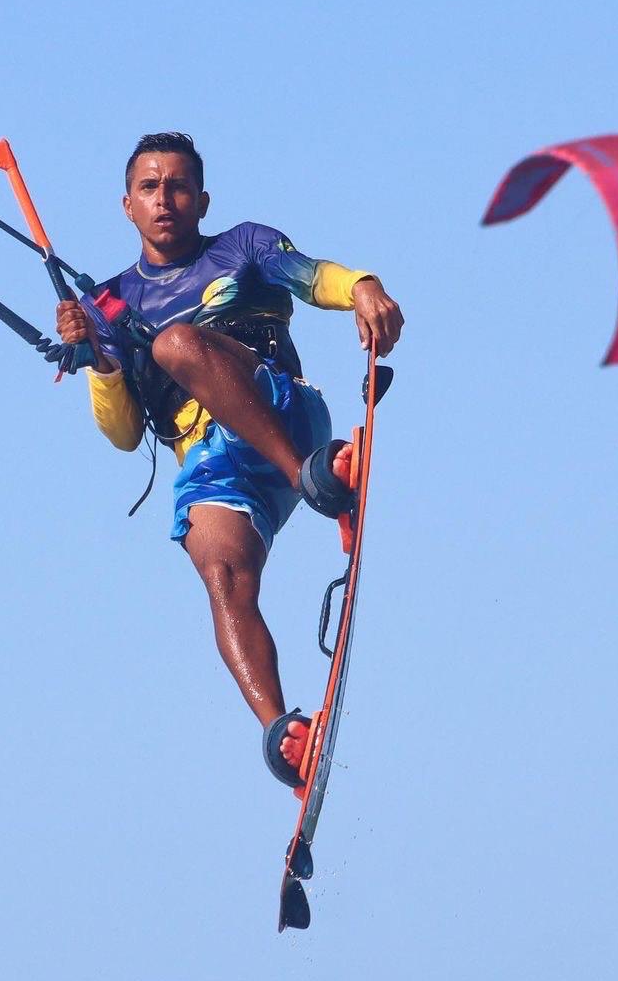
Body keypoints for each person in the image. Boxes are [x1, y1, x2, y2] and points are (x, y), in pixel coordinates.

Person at [55, 133, 403, 793]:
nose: (165, 199)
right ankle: (284, 735)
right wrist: (98, 360)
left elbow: (313, 276)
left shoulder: (242, 247)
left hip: (284, 414)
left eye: (179, 186)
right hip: (211, 463)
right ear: (127, 205)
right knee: (220, 572)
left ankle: (313, 478)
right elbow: (124, 435)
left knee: (176, 346)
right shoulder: (107, 305)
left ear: (202, 200)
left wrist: (364, 287)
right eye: (150, 187)